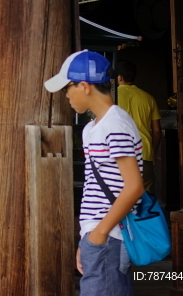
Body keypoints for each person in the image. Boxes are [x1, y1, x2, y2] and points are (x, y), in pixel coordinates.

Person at [44, 50, 144, 296]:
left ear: (85, 86)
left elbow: (134, 187)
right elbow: (94, 188)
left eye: (68, 87)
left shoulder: (115, 124)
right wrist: (87, 237)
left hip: (109, 235)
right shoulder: (92, 128)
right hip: (98, 234)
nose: (66, 95)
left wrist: (98, 234)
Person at [112, 60, 162, 194]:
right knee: (147, 198)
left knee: (120, 197)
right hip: (144, 153)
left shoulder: (112, 97)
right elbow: (157, 131)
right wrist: (153, 154)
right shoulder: (148, 98)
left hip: (119, 154)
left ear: (120, 77)